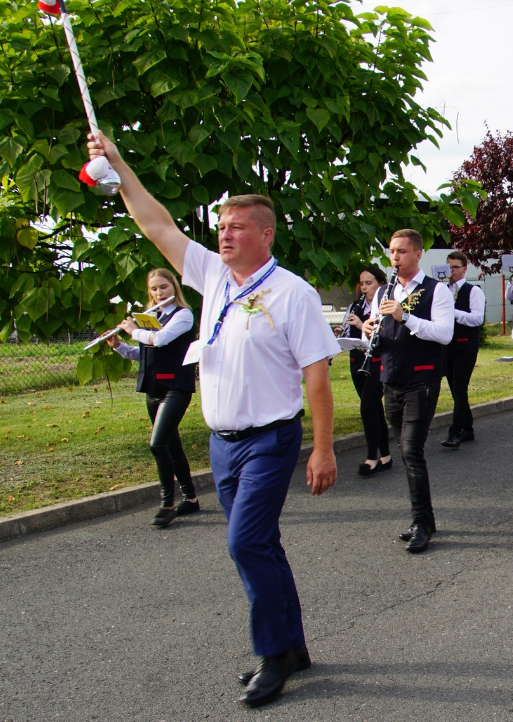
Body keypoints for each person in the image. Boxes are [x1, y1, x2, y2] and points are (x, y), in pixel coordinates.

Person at [87, 132, 340, 707]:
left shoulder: (292, 293)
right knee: (263, 544)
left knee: (245, 544)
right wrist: (118, 163)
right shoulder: (214, 277)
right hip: (222, 443)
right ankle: (293, 645)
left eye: (237, 227)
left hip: (271, 439)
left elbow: (318, 377)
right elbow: (156, 224)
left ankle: (271, 657)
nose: (223, 234)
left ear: (265, 235)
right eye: (221, 226)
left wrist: (323, 450)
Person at [362, 229, 455, 554]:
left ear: (417, 254)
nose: (395, 258)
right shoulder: (383, 291)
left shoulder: (437, 290)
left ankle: (424, 523)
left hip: (422, 380)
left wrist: (405, 317)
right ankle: (421, 519)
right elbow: (378, 330)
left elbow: (444, 334)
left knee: (412, 449)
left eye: (401, 252)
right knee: (404, 450)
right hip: (391, 377)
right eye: (391, 252)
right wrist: (369, 329)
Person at [109, 268, 199, 528]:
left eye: (164, 287)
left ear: (174, 288)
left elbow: (159, 340)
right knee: (172, 446)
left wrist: (133, 329)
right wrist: (119, 347)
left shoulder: (183, 315)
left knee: (157, 445)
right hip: (153, 387)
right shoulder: (152, 316)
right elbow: (147, 353)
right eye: (154, 289)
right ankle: (191, 499)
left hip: (176, 387)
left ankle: (167, 504)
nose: (159, 293)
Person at [341, 268, 393, 476]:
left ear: (381, 284)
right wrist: (344, 332)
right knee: (374, 409)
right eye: (362, 283)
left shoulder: (385, 306)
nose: (364, 288)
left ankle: (372, 457)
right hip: (357, 360)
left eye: (369, 283)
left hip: (377, 362)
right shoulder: (355, 305)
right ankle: (386, 455)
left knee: (367, 407)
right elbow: (350, 331)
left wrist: (362, 325)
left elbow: (384, 333)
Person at [441, 251, 484, 449]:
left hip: (466, 345)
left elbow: (477, 319)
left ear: (465, 269)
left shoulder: (472, 291)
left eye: (455, 267)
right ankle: (468, 428)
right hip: (447, 345)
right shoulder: (442, 289)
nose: (452, 271)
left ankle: (455, 431)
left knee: (459, 388)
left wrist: (453, 311)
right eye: (449, 267)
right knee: (455, 390)